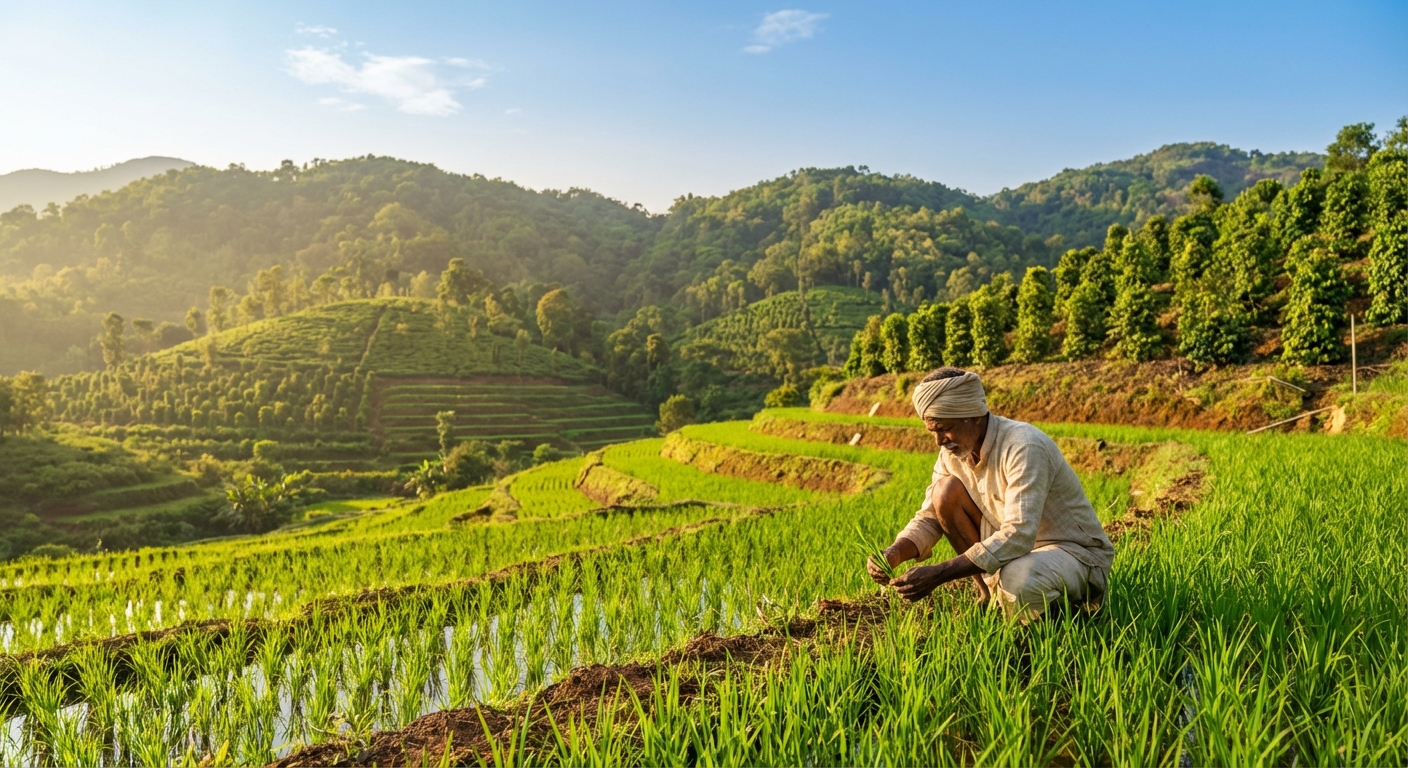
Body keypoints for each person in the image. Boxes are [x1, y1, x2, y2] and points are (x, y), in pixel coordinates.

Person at [867, 367, 1114, 620]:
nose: (939, 441)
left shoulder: (1023, 445)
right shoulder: (953, 453)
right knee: (944, 493)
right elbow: (930, 515)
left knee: (1017, 580)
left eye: (944, 428)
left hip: (1073, 554)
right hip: (1016, 551)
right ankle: (987, 593)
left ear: (972, 415)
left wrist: (939, 573)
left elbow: (1019, 533)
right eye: (933, 431)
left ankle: (1064, 624)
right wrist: (894, 553)